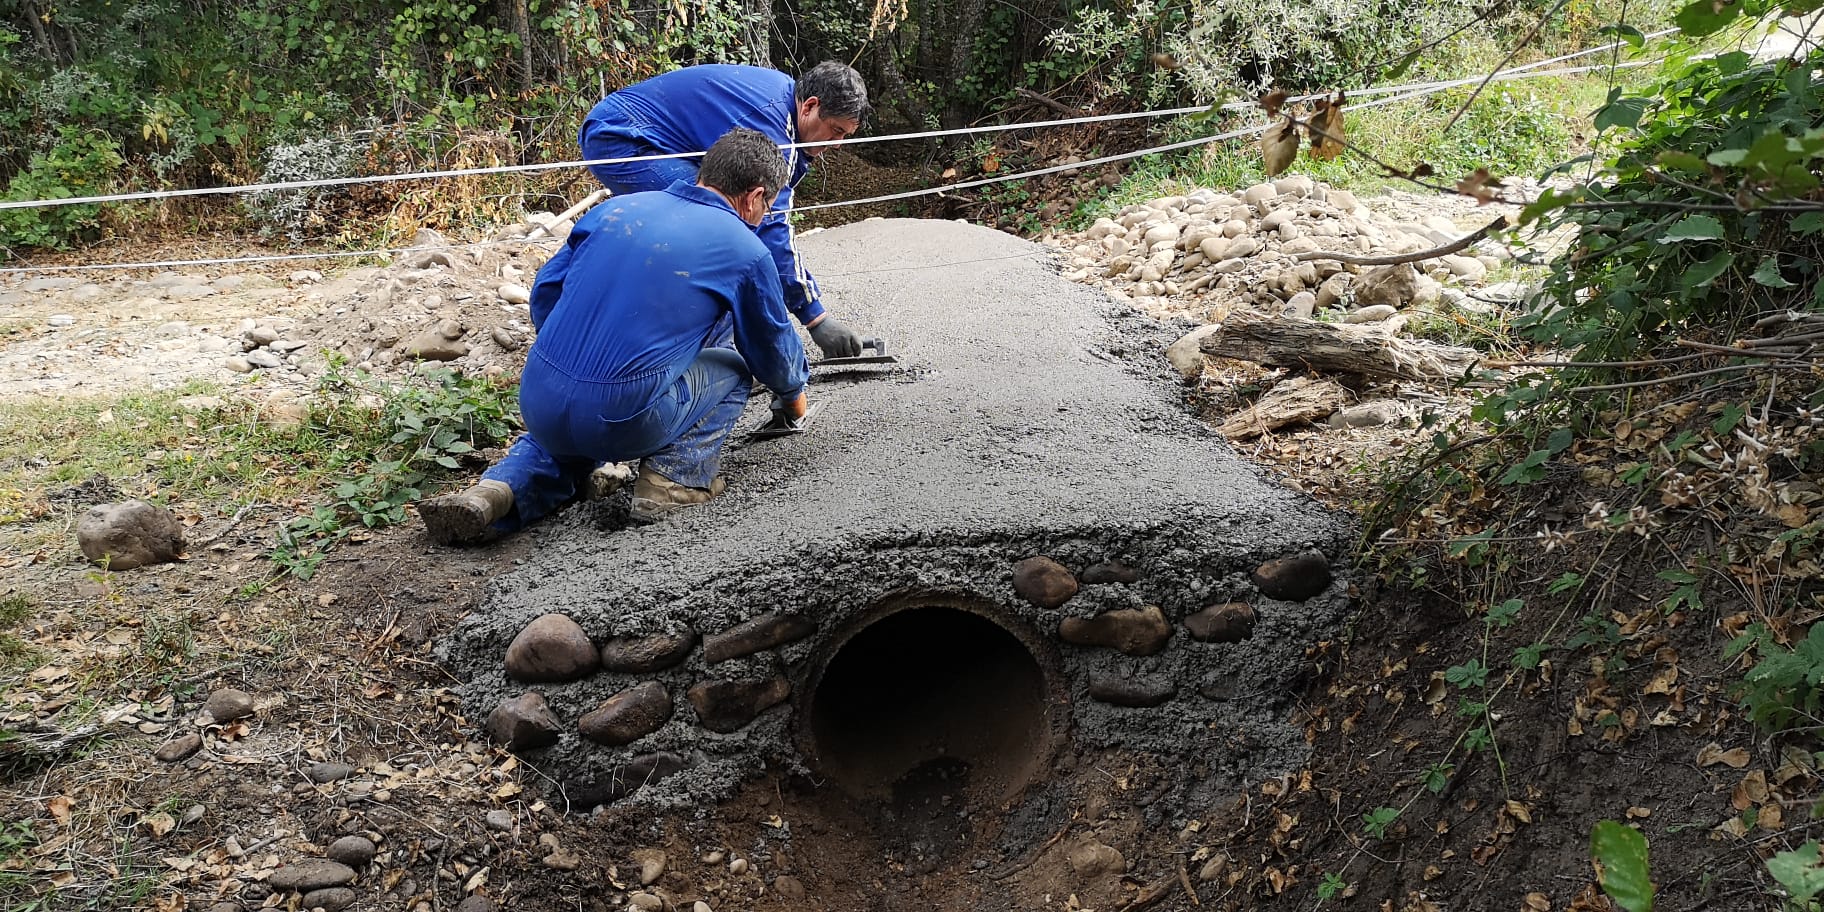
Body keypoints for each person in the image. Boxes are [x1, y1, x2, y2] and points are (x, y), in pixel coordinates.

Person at [417, 128, 810, 544]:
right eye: (767, 206)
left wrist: (582, 358)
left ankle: (499, 491)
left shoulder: (615, 210)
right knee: (733, 367)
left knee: (565, 434)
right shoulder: (744, 250)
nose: (763, 216)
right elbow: (770, 346)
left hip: (539, 399)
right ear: (754, 196)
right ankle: (673, 480)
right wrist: (793, 397)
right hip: (623, 418)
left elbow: (546, 293)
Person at [579, 61, 869, 360]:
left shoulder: (787, 107)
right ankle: (712, 351)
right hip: (624, 136)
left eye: (845, 135)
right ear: (810, 106)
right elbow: (771, 225)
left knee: (724, 228)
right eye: (836, 131)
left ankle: (707, 338)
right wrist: (815, 317)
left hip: (640, 131)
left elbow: (768, 207)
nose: (838, 144)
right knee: (720, 231)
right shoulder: (772, 126)